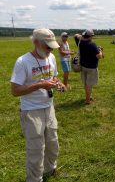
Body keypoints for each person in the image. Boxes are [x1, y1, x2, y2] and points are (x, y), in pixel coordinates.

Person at [10, 28, 65, 182]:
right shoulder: (23, 61)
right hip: (31, 111)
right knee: (36, 150)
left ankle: (50, 170)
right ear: (35, 43)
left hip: (49, 107)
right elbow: (15, 91)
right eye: (47, 46)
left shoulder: (51, 57)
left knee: (53, 144)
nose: (50, 49)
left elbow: (54, 77)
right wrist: (39, 85)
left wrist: (58, 84)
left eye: (52, 46)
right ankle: (35, 179)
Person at [75, 29, 102, 105]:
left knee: (86, 83)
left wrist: (82, 36)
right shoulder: (92, 44)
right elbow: (99, 56)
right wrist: (100, 50)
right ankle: (87, 100)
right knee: (89, 84)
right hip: (92, 67)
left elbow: (76, 35)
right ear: (90, 36)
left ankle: (88, 97)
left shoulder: (80, 43)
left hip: (83, 66)